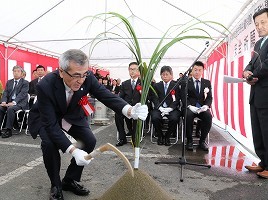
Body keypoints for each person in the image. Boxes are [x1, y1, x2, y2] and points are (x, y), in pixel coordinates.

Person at [28, 49, 148, 200]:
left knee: (89, 140)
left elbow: (106, 95)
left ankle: (70, 180)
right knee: (50, 144)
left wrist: (129, 110)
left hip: (71, 116)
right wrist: (72, 150)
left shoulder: (87, 77)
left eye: (84, 74)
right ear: (61, 72)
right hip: (46, 117)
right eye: (76, 75)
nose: (81, 80)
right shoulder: (45, 85)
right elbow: (51, 126)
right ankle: (56, 184)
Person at [243, 8, 268, 178]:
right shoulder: (259, 44)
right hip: (255, 95)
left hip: (266, 95)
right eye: (257, 24)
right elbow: (252, 63)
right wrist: (246, 71)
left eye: (263, 22)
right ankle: (263, 163)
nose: (259, 27)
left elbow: (266, 65)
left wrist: (253, 74)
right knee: (258, 131)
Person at [181, 61, 212, 151]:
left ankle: (202, 141)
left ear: (203, 71)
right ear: (192, 70)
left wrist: (206, 106)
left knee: (208, 116)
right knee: (188, 115)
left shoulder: (207, 82)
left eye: (199, 70)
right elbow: (183, 97)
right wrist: (189, 106)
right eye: (195, 70)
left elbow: (209, 97)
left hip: (202, 107)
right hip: (191, 107)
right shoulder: (187, 82)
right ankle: (189, 140)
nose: (197, 72)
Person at [0, 65, 29, 139]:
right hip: (9, 102)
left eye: (18, 71)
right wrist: (4, 101)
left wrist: (14, 102)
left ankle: (8, 130)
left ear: (21, 73)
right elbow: (5, 93)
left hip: (19, 103)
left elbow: (22, 94)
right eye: (14, 71)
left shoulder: (25, 83)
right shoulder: (9, 82)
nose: (16, 73)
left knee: (11, 109)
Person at [150, 66, 181, 146]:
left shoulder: (175, 85)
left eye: (167, 74)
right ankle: (160, 135)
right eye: (163, 74)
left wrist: (170, 109)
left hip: (171, 108)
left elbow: (177, 99)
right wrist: (159, 107)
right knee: (154, 117)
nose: (165, 76)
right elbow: (154, 98)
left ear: (171, 75)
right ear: (161, 75)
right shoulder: (157, 85)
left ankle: (167, 136)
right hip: (159, 108)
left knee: (175, 118)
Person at [115, 62, 141, 146]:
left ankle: (134, 138)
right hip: (127, 108)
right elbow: (120, 97)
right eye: (130, 69)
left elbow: (147, 97)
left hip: (138, 108)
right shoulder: (124, 83)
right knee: (118, 114)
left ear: (139, 71)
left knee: (137, 117)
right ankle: (122, 138)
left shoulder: (143, 83)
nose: (132, 71)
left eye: (134, 69)